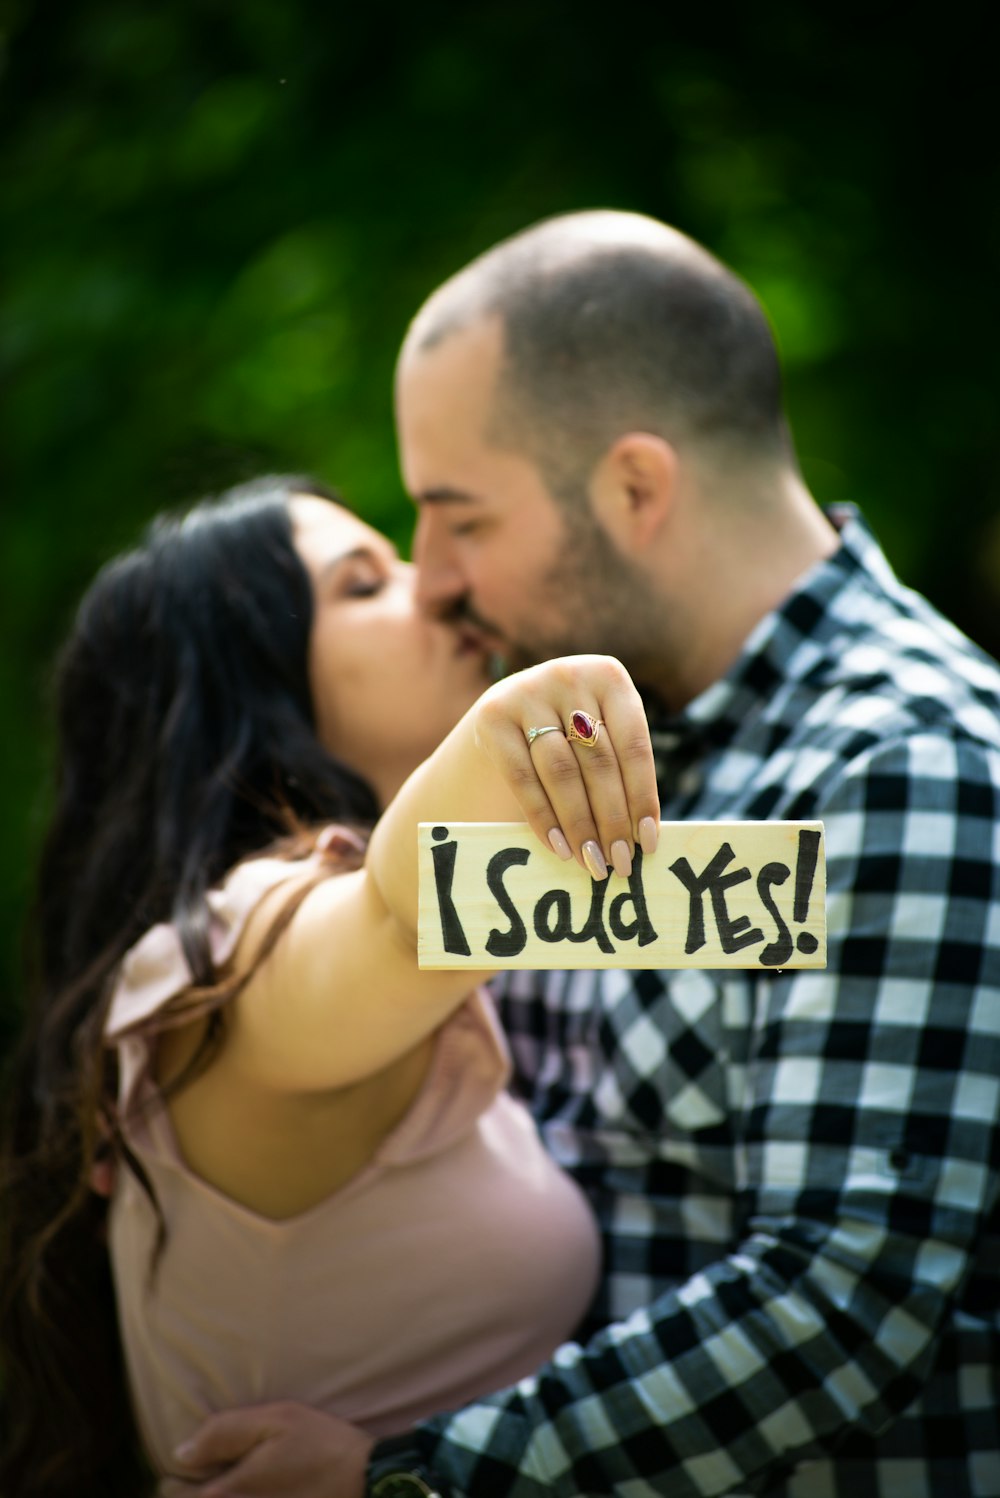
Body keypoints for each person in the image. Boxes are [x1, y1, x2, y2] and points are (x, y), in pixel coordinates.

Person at [179, 212, 1000, 1496]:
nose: (435, 577)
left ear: (633, 487)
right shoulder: (596, 745)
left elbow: (843, 1300)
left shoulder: (899, 765)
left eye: (461, 518)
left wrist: (415, 1477)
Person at [0, 473, 665, 1496]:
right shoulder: (226, 957)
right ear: (250, 684)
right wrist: (501, 729)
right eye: (365, 586)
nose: (437, 589)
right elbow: (397, 921)